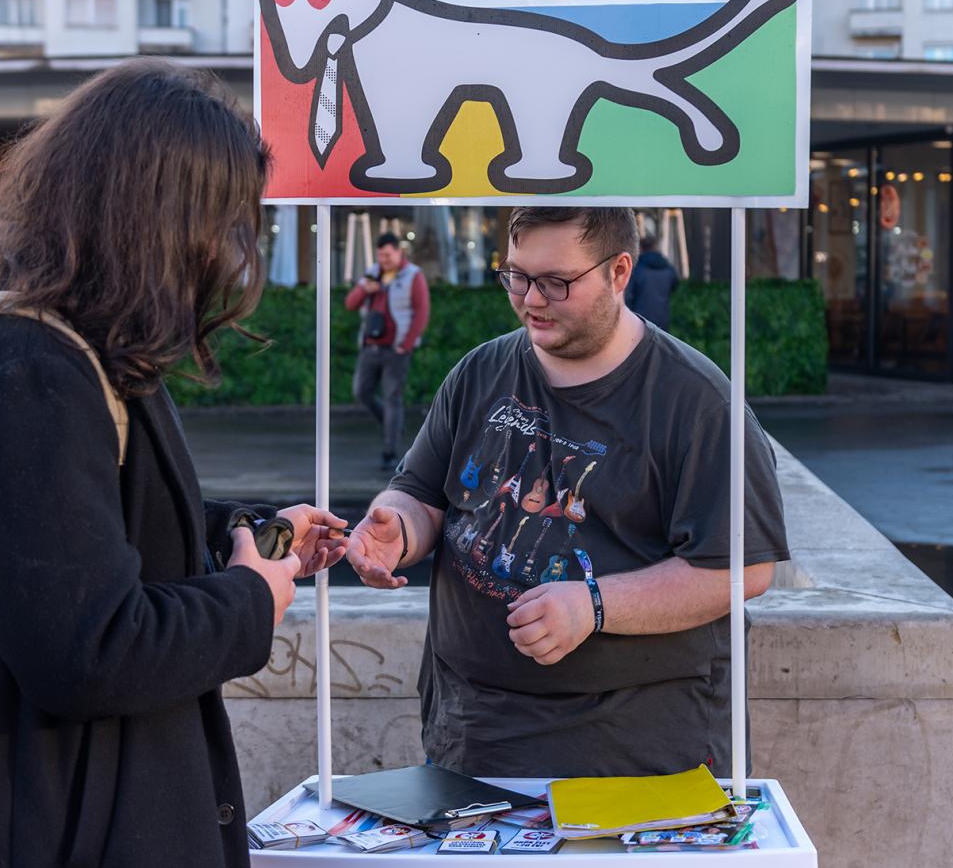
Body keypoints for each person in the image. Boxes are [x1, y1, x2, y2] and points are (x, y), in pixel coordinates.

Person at [0, 59, 347, 868]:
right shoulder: (16, 371)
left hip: (56, 831)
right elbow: (91, 652)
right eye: (222, 223)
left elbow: (86, 530)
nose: (229, 255)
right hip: (28, 848)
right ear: (156, 217)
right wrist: (250, 598)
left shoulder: (62, 343)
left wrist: (251, 534)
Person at [332, 207, 789, 778]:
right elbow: (422, 494)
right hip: (472, 729)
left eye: (556, 282)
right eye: (517, 277)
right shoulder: (479, 371)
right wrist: (395, 531)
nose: (531, 300)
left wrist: (593, 605)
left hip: (635, 747)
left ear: (619, 272)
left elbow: (742, 569)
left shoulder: (699, 405)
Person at [345, 232, 430, 471]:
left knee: (393, 398)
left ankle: (389, 451)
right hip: (370, 346)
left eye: (387, 254)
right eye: (380, 255)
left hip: (396, 349)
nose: (383, 259)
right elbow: (351, 303)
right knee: (361, 391)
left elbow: (421, 311)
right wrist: (364, 289)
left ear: (398, 251)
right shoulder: (372, 273)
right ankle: (392, 425)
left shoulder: (413, 275)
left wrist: (407, 344)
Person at [625, 233, 681, 331]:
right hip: (662, 321)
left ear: (640, 249)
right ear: (656, 247)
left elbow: (628, 296)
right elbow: (675, 284)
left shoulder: (637, 270)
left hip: (640, 322)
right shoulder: (667, 269)